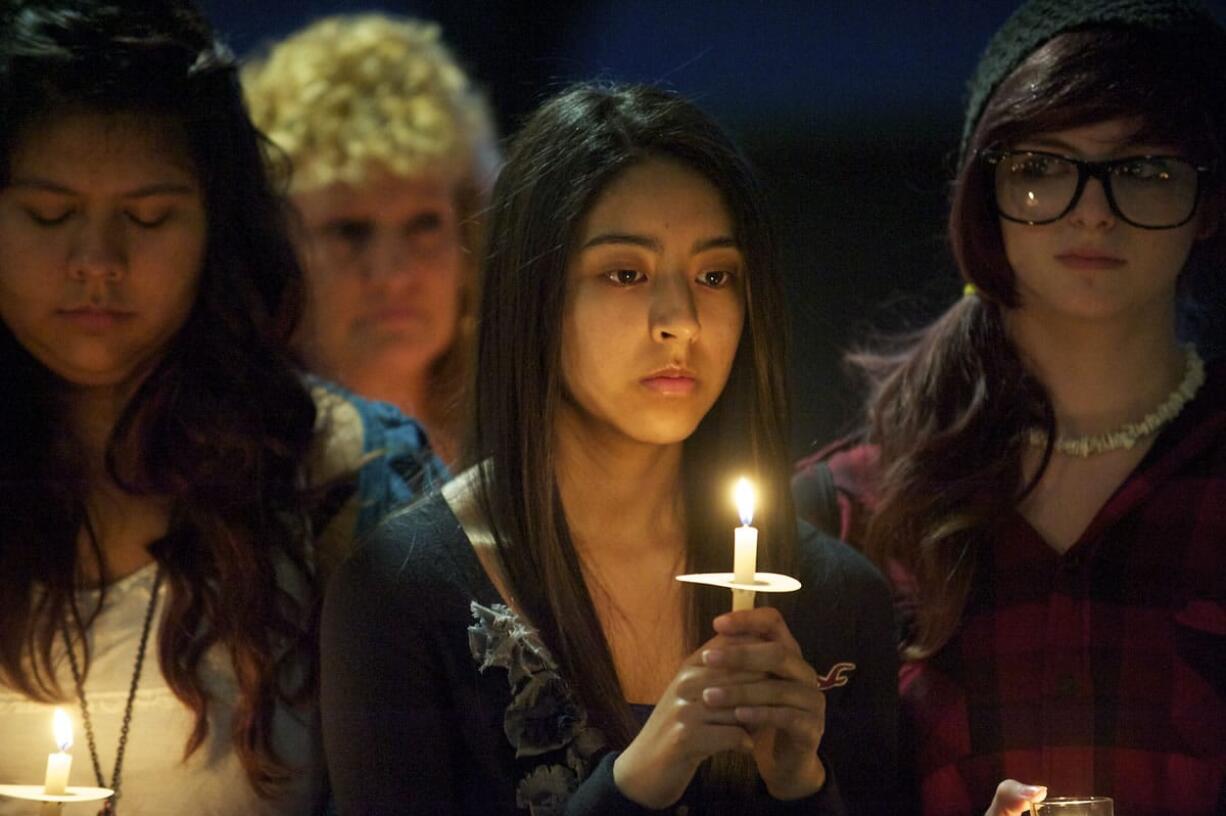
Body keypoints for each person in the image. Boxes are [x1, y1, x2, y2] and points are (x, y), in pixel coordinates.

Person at [322, 83, 899, 815]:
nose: (680, 321)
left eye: (714, 276)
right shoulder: (404, 593)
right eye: (625, 273)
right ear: (535, 296)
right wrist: (633, 786)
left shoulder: (833, 600)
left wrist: (802, 788)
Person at [0, 2, 442, 813]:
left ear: (217, 228)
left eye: (148, 217)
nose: (96, 262)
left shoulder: (347, 478)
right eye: (49, 214)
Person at [792, 1, 1226, 814]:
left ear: (1207, 202)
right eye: (1043, 165)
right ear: (984, 194)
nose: (1091, 209)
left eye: (1145, 168)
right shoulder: (850, 514)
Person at [243, 14, 500, 466]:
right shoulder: (221, 470)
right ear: (270, 250)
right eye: (349, 231)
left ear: (471, 237)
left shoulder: (530, 452)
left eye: (424, 225)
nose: (393, 273)